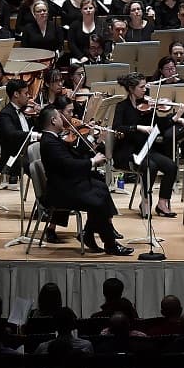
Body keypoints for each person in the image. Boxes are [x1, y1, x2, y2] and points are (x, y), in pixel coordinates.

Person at [37, 105, 132, 255]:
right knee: (98, 201)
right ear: (53, 120)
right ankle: (109, 244)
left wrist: (92, 141)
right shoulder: (49, 142)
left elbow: (72, 155)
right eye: (60, 117)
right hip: (60, 191)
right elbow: (68, 164)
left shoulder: (53, 139)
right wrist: (92, 162)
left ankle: (89, 234)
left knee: (100, 187)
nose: (64, 119)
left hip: (66, 183)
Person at [112, 74, 181, 219]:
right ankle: (145, 201)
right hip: (127, 152)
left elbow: (158, 126)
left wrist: (175, 117)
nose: (145, 89)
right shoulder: (122, 107)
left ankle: (162, 203)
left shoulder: (148, 107)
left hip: (145, 149)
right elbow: (118, 128)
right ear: (131, 89)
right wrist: (138, 127)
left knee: (171, 167)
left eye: (145, 86)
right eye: (142, 87)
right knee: (151, 166)